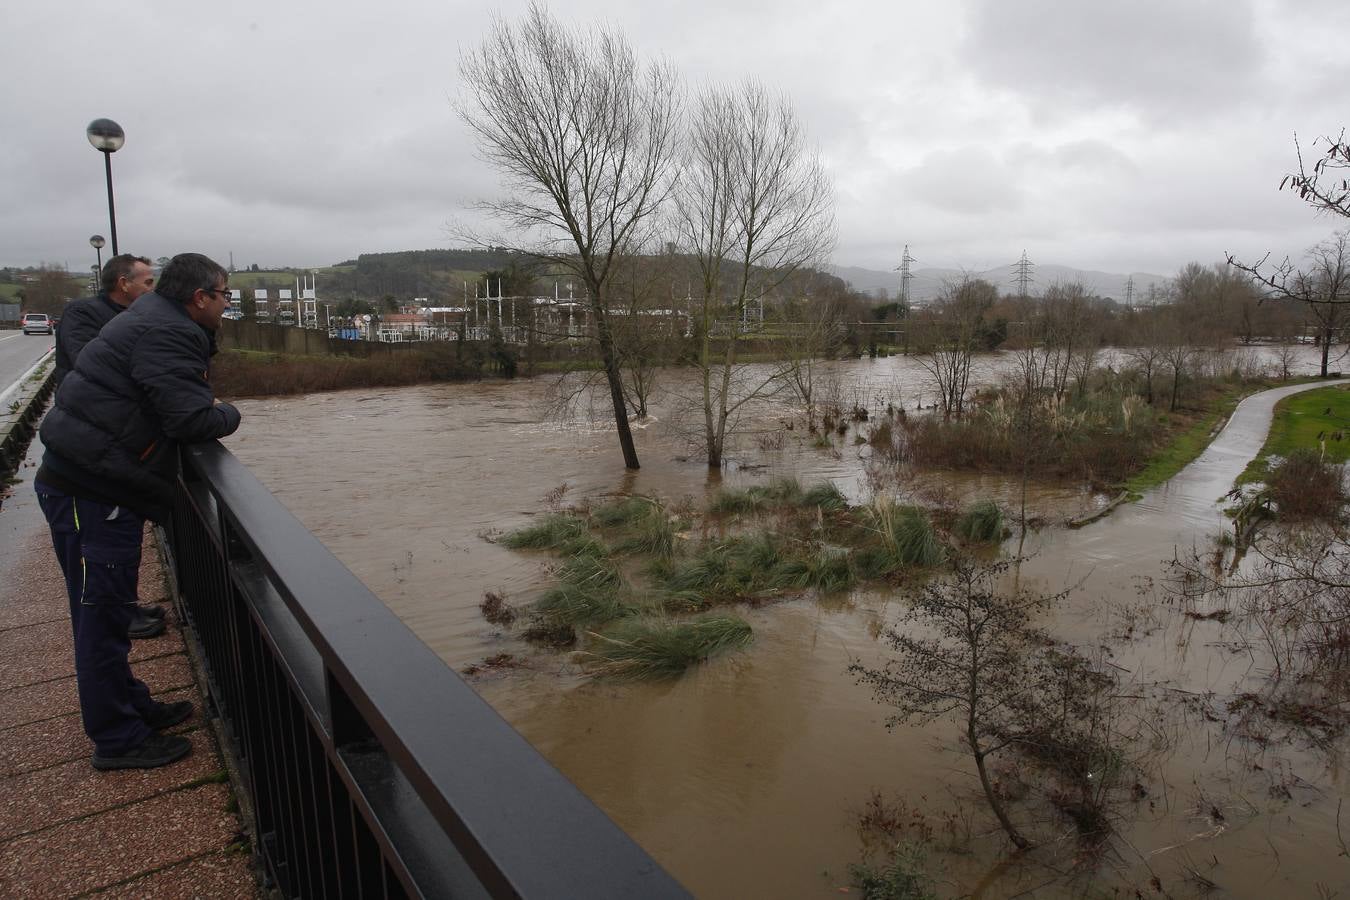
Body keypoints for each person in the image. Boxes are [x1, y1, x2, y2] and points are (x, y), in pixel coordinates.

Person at [35, 253, 242, 770]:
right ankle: (118, 739)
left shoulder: (151, 318)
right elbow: (190, 417)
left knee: (105, 610)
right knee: (101, 617)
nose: (226, 304)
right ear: (200, 298)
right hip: (91, 490)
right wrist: (228, 413)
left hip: (91, 480)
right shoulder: (169, 333)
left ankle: (130, 706)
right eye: (224, 295)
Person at [53, 254, 166, 640]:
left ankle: (124, 605)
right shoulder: (84, 314)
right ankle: (114, 616)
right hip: (90, 444)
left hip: (115, 444)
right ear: (123, 283)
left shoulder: (136, 320)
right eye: (148, 283)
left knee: (123, 533)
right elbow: (92, 361)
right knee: (98, 548)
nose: (153, 290)